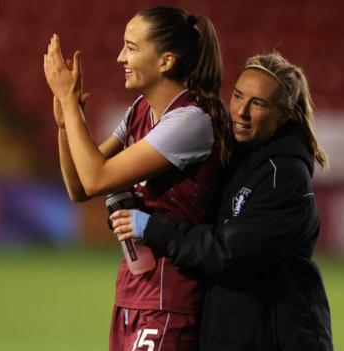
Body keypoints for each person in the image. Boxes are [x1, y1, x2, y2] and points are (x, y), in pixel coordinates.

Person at [111, 52, 333, 350]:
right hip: (236, 332)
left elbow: (230, 252)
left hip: (277, 336)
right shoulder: (234, 157)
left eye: (258, 103)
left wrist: (153, 227)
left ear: (285, 114)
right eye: (239, 96)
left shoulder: (284, 176)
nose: (241, 111)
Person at [44, 6, 232, 351]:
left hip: (172, 295)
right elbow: (79, 188)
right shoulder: (139, 111)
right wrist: (64, 123)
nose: (120, 57)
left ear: (166, 61)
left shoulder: (191, 121)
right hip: (133, 292)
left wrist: (72, 105)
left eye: (131, 47)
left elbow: (97, 179)